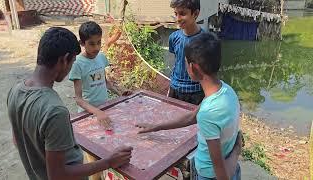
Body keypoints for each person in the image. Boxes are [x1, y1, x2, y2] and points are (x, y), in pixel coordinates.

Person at [7, 27, 133, 180]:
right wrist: (108, 162)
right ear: (64, 59)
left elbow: (17, 140)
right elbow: (58, 175)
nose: (71, 67)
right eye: (72, 61)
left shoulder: (15, 91)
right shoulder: (54, 111)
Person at [137, 32, 241, 180]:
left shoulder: (208, 113)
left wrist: (237, 151)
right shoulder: (226, 91)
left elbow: (222, 176)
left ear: (193, 68)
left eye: (186, 62)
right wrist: (155, 127)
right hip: (231, 166)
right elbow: (192, 117)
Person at [69, 21, 130, 129]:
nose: (96, 47)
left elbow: (105, 82)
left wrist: (120, 92)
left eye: (99, 42)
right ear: (82, 43)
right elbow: (78, 99)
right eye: (91, 44)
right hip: (87, 113)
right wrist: (96, 112)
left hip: (104, 108)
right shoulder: (77, 64)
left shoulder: (101, 57)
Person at [168, 0, 205, 105]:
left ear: (196, 14)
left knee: (193, 121)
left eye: (183, 14)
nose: (178, 19)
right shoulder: (173, 37)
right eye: (176, 14)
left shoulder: (206, 40)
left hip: (197, 91)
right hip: (175, 88)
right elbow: (177, 59)